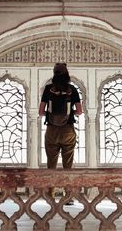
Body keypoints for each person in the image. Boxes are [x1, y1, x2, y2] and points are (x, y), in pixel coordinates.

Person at [38, 63, 83, 203]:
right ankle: (68, 196)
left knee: (51, 163)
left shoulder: (48, 89)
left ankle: (50, 195)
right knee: (67, 164)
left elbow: (40, 112)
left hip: (52, 130)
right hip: (68, 130)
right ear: (67, 74)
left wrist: (52, 115)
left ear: (54, 74)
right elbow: (80, 111)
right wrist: (69, 114)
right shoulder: (72, 89)